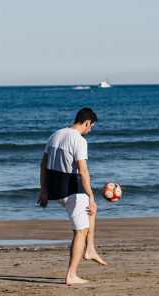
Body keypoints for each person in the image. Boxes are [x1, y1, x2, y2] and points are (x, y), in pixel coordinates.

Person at [38, 107, 108, 285]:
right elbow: (83, 171)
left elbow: (43, 165)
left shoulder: (55, 134)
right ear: (86, 122)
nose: (90, 130)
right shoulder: (79, 140)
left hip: (55, 189)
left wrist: (44, 190)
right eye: (91, 127)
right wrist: (91, 196)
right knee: (80, 231)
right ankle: (71, 275)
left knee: (91, 212)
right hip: (72, 189)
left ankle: (90, 248)